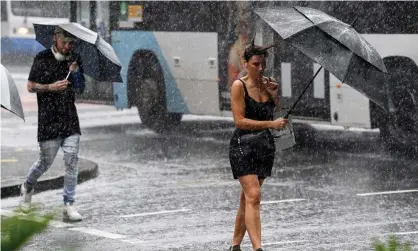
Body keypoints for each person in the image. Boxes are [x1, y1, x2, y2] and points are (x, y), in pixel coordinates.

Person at [228, 37, 288, 251]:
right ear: (245, 63)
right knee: (253, 195)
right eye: (255, 64)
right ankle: (258, 248)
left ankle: (235, 245)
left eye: (262, 64)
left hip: (264, 146)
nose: (260, 68)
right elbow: (240, 121)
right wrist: (270, 123)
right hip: (242, 145)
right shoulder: (239, 86)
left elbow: (278, 117)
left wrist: (275, 97)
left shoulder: (269, 85)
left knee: (248, 199)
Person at [19, 27, 85, 222]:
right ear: (56, 38)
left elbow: (80, 89)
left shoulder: (74, 59)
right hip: (49, 120)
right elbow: (31, 86)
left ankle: (69, 203)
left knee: (72, 162)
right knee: (45, 162)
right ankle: (27, 187)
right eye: (64, 42)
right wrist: (50, 87)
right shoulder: (42, 58)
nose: (67, 47)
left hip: (70, 120)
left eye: (71, 43)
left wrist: (76, 72)